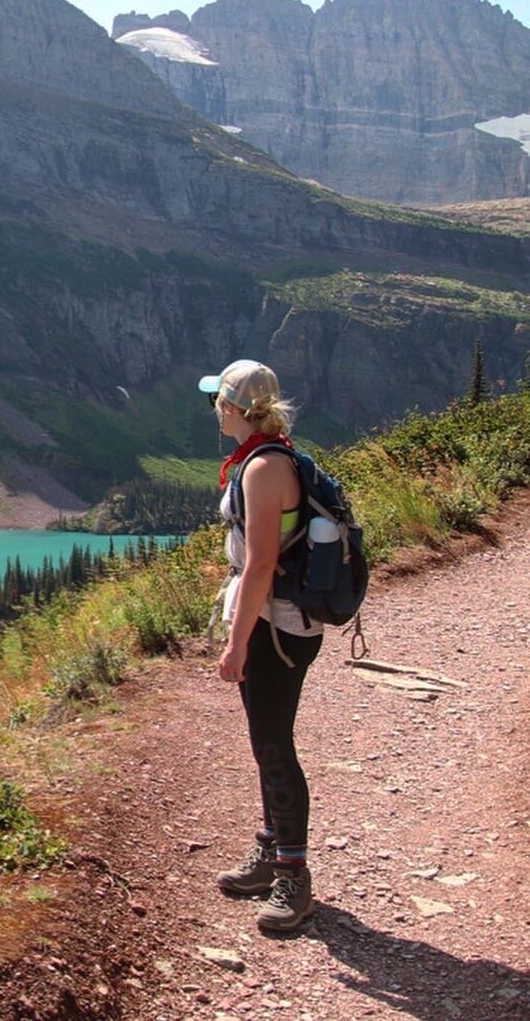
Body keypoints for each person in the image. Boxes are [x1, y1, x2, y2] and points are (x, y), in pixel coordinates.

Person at [199, 358, 322, 933]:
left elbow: (261, 566)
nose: (213, 413)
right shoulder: (267, 456)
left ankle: (293, 876)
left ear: (232, 407)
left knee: (273, 745)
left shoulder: (262, 469)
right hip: (276, 622)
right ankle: (272, 854)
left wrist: (237, 643)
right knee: (265, 741)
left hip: (277, 627)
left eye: (215, 402)